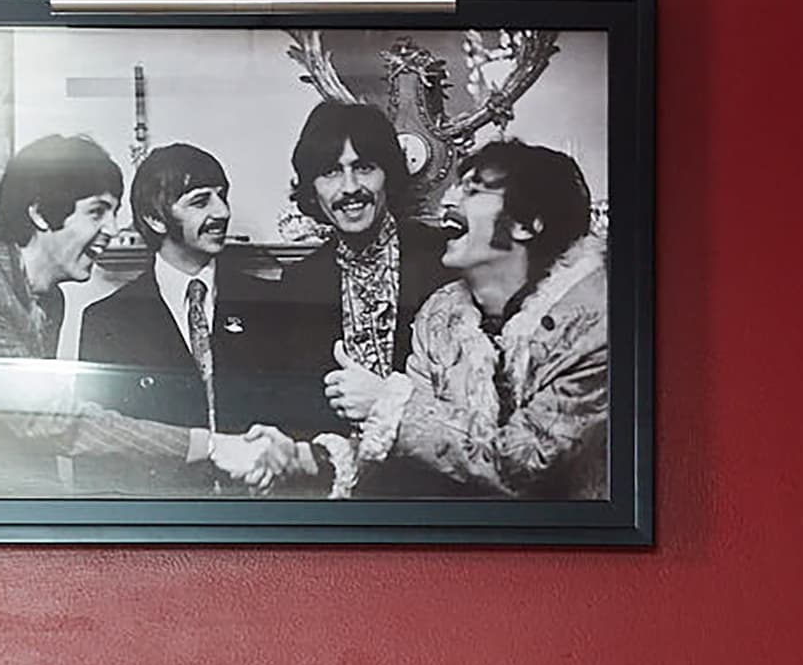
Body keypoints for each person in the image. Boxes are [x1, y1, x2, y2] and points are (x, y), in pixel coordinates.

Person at [0, 133, 278, 498]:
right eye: (97, 212)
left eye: (113, 212)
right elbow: (52, 422)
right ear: (41, 213)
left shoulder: (49, 297)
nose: (112, 229)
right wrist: (209, 444)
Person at [322, 140, 609, 501]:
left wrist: (387, 403)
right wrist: (309, 461)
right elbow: (416, 461)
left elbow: (523, 465)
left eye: (472, 190)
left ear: (525, 223)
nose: (446, 202)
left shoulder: (596, 325)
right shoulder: (439, 316)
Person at [78, 144, 293, 470]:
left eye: (222, 196)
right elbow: (98, 459)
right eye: (200, 201)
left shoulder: (272, 304)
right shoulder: (106, 321)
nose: (221, 212)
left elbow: (295, 426)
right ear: (155, 218)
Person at [275, 102, 451, 478]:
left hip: (440, 480)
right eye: (331, 172)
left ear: (389, 174)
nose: (350, 188)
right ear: (312, 188)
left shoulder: (444, 259)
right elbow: (299, 411)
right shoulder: (299, 282)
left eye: (364, 167)